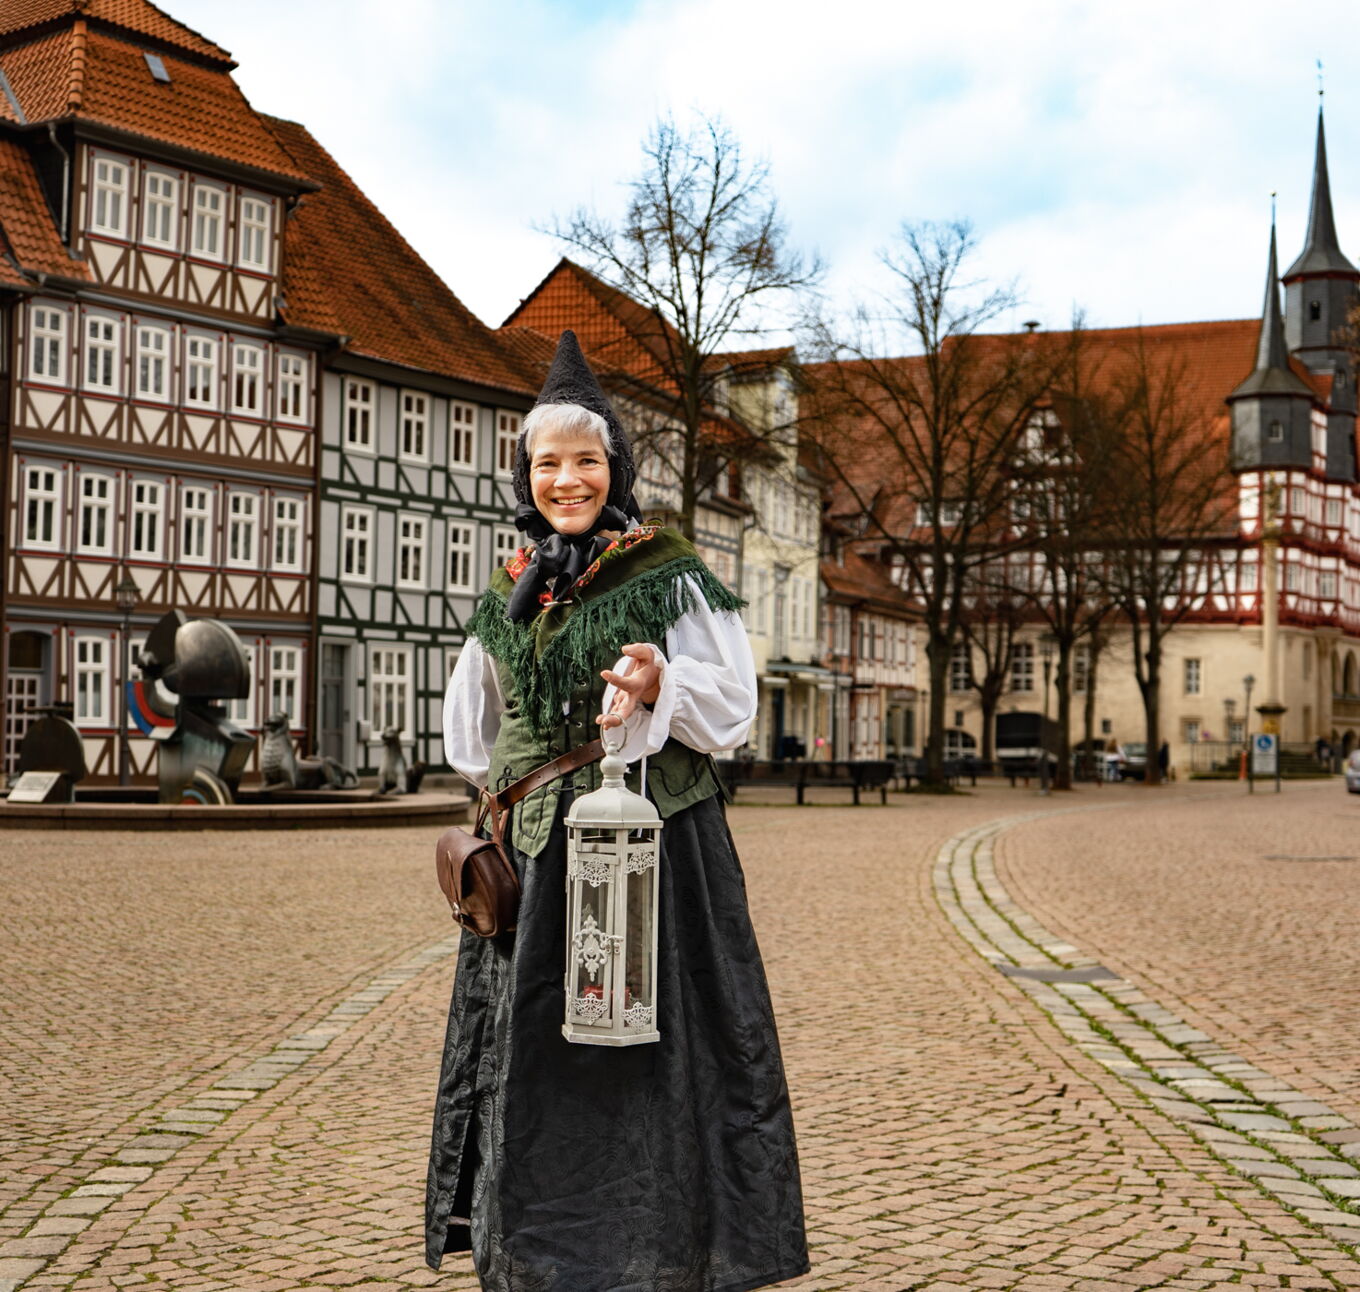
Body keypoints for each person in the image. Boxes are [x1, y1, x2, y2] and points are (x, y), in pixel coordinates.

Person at [426, 331, 809, 1291]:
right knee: (540, 1056)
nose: (567, 479)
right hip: (533, 868)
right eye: (548, 462)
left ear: (615, 469)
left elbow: (731, 710)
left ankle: (657, 1247)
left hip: (657, 851)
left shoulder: (667, 571)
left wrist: (658, 682)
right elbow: (471, 735)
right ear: (528, 473)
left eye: (585, 460)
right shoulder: (507, 586)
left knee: (647, 1048)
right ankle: (537, 1251)